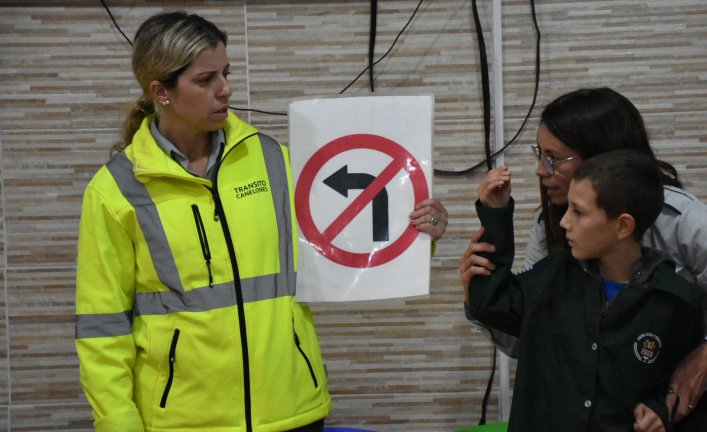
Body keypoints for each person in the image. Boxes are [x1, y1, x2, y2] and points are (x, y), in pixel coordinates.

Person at [74, 11, 448, 432]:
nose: (226, 89)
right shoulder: (117, 190)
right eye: (205, 80)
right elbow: (101, 323)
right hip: (185, 422)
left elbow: (344, 243)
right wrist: (118, 422)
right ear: (161, 91)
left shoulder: (274, 160)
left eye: (225, 73)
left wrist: (415, 235)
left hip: (292, 411)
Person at [461, 87, 707, 432]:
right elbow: (535, 340)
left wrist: (704, 357)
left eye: (555, 158)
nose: (541, 170)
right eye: (540, 154)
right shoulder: (552, 228)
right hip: (645, 406)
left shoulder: (684, 221)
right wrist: (482, 295)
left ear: (604, 159)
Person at [464, 149, 706, 431]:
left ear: (623, 226)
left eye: (578, 212)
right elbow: (492, 304)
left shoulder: (676, 301)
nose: (564, 222)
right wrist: (496, 216)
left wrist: (658, 409)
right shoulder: (553, 275)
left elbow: (676, 380)